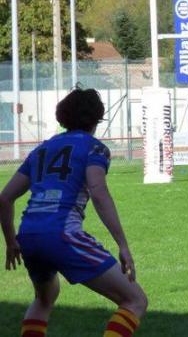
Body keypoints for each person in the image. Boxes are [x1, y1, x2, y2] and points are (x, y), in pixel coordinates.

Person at [0, 88, 147, 337]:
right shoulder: (94, 148)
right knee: (135, 300)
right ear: (97, 119)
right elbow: (98, 192)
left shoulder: (41, 150)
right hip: (62, 234)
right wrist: (122, 244)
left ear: (63, 116)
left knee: (45, 299)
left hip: (29, 235)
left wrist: (11, 240)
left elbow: (4, 198)